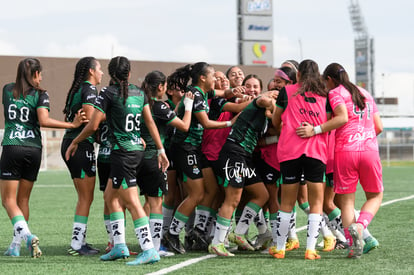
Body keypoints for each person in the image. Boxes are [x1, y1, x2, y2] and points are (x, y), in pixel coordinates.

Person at [65, 56, 169, 266]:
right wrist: (160, 149)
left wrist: (75, 140)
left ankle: (149, 249)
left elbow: (94, 125)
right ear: (129, 73)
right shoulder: (140, 93)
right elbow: (149, 123)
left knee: (131, 201)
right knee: (111, 197)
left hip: (122, 154)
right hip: (136, 152)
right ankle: (119, 245)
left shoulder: (108, 92)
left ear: (112, 74)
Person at [1, 58, 87, 257]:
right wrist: (72, 125)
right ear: (35, 75)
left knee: (7, 200)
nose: (41, 78)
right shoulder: (41, 94)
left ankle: (27, 237)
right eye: (40, 74)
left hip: (13, 147)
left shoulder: (7, 89)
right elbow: (43, 120)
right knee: (23, 199)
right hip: (33, 150)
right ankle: (15, 245)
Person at [297, 62, 383, 258]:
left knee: (346, 202)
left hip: (344, 152)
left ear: (329, 79)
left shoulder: (335, 93)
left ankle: (353, 245)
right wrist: (365, 137)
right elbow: (379, 127)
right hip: (369, 150)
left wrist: (315, 129)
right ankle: (361, 227)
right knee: (375, 196)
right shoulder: (365, 94)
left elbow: (341, 118)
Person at [162, 62, 239, 254]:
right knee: (196, 194)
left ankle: (198, 231)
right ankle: (172, 234)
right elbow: (205, 122)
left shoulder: (205, 92)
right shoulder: (194, 94)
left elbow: (223, 94)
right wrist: (231, 122)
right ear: (203, 78)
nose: (216, 79)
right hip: (184, 148)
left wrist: (235, 92)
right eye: (213, 75)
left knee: (211, 189)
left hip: (194, 149)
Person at [271, 59, 331, 260]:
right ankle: (311, 249)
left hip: (290, 151)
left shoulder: (286, 92)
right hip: (316, 152)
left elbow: (275, 119)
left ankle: (280, 248)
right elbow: (331, 122)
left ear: (298, 75)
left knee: (286, 202)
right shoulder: (326, 95)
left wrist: (287, 125)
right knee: (316, 203)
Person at [208, 88, 277, 256]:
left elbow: (276, 132)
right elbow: (263, 100)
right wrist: (272, 101)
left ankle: (239, 233)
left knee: (262, 195)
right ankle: (217, 243)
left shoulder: (268, 118)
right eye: (274, 93)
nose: (276, 96)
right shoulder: (259, 101)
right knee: (233, 198)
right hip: (234, 152)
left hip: (244, 156)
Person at [139, 70, 194, 257]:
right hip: (154, 158)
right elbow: (185, 125)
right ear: (161, 87)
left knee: (140, 202)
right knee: (156, 203)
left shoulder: (139, 101)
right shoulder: (159, 106)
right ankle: (154, 247)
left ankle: (133, 242)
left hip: (136, 157)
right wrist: (188, 105)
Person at [60, 56, 103, 256]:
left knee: (84, 197)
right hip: (79, 145)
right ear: (92, 71)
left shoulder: (77, 89)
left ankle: (79, 242)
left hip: (71, 143)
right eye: (100, 69)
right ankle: (77, 244)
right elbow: (90, 120)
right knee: (86, 197)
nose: (102, 73)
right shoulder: (89, 89)